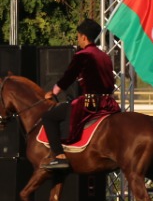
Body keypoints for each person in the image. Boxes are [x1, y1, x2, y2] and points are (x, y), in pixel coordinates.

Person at [40, 18, 120, 171]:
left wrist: (54, 91)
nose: (78, 40)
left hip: (90, 103)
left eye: (78, 37)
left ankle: (59, 156)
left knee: (48, 117)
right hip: (108, 102)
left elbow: (69, 77)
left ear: (84, 37)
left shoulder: (83, 55)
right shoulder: (105, 56)